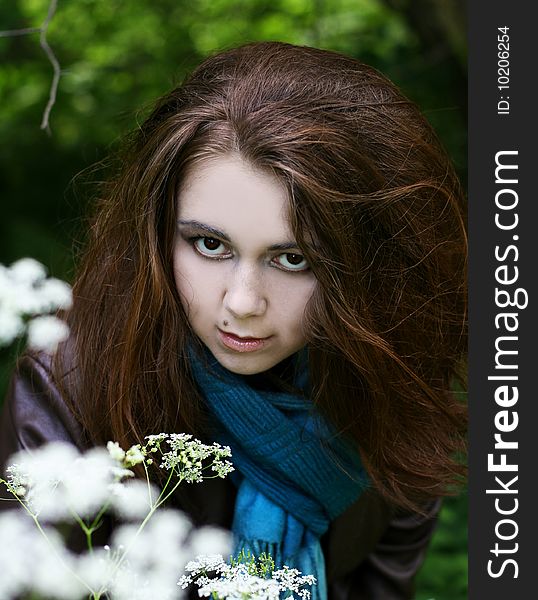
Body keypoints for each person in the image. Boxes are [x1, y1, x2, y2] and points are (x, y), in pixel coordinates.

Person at [0, 42, 467, 599]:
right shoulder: (71, 387)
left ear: (372, 268)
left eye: (294, 259)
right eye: (209, 244)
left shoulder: (395, 386)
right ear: (157, 234)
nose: (243, 302)